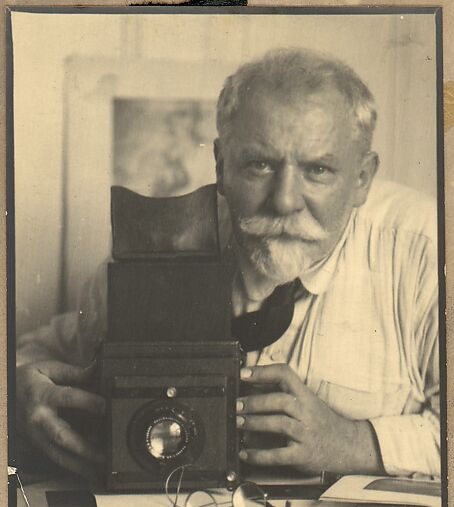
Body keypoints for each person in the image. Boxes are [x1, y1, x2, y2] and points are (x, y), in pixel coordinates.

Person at [16, 47, 440, 481]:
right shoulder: (160, 248)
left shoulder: (426, 254)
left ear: (362, 180)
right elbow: (44, 356)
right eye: (260, 165)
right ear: (221, 165)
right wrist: (21, 392)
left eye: (318, 170)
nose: (284, 200)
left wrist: (353, 443)